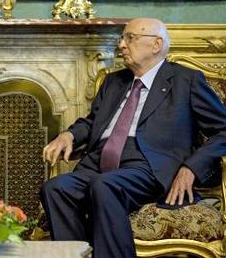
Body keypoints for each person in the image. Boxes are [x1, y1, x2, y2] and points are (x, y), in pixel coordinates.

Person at [41, 18, 226, 257]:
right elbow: (92, 122)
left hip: (148, 167)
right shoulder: (113, 82)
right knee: (56, 188)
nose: (121, 45)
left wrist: (191, 167)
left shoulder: (185, 81)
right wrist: (68, 135)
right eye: (122, 38)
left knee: (104, 185)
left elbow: (223, 130)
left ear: (156, 44)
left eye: (130, 38)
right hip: (99, 164)